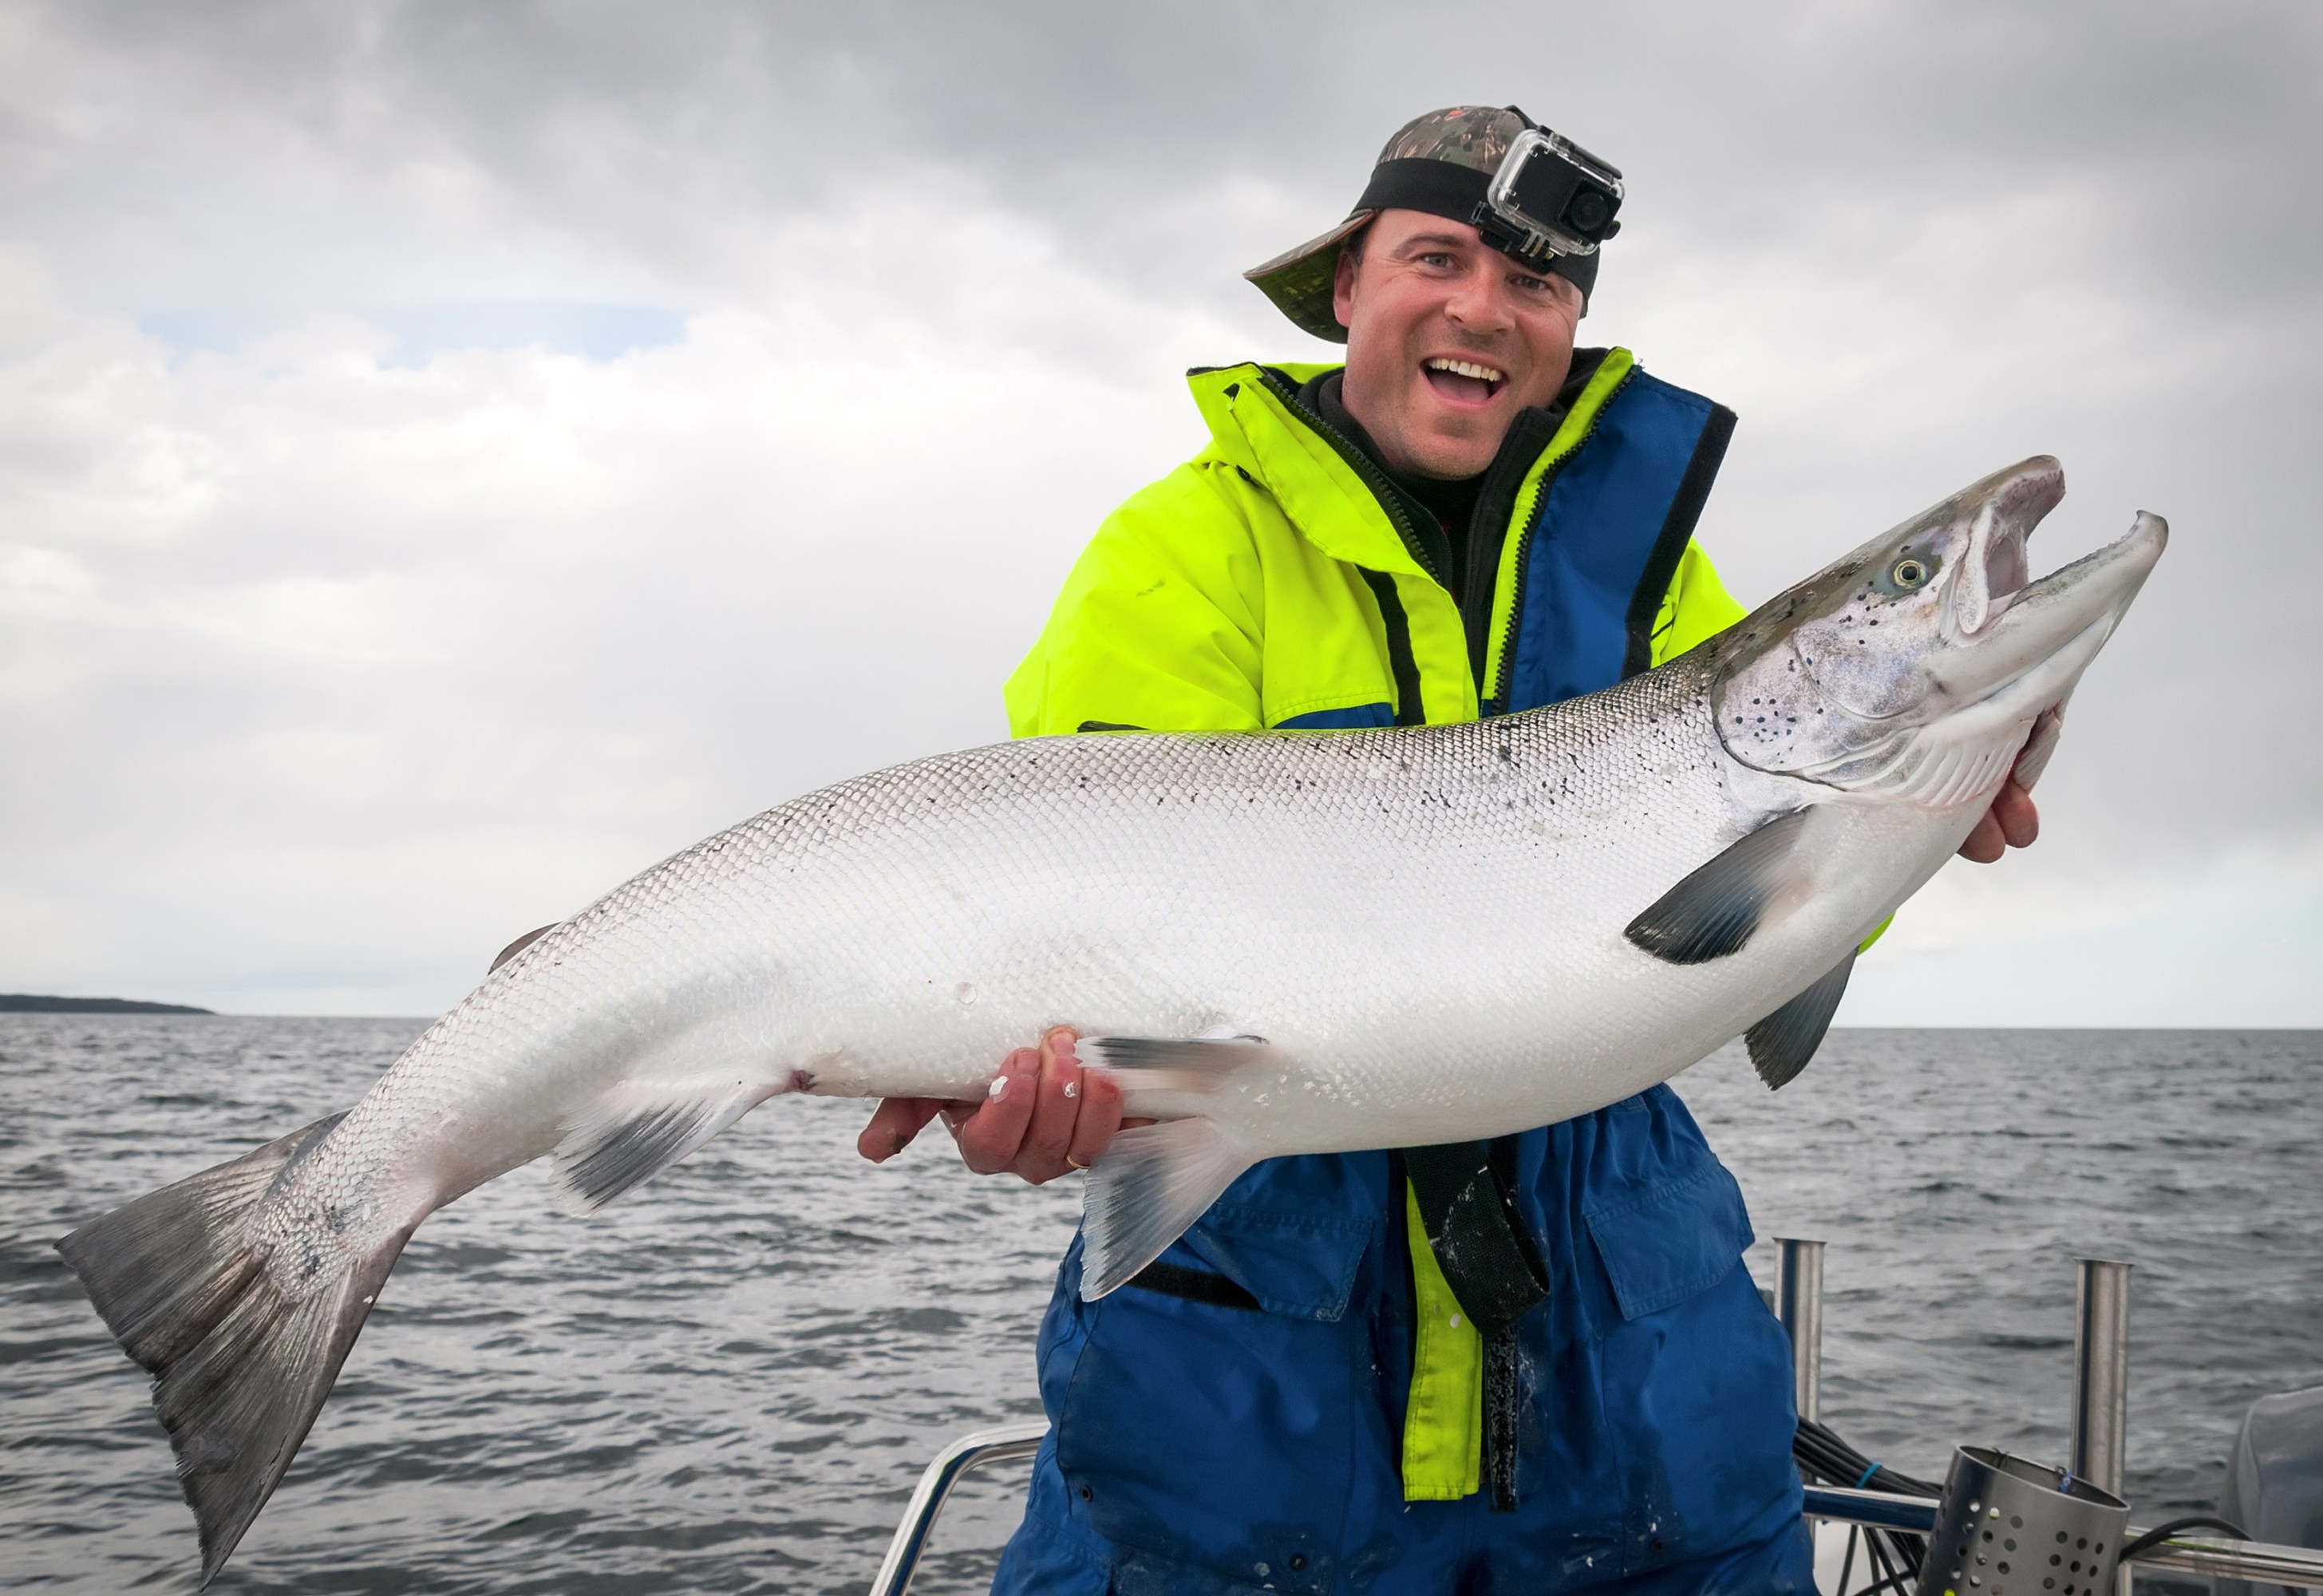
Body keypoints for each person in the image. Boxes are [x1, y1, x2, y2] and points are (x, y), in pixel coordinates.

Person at [856, 105, 2040, 1595]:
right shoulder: (1181, 557)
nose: (1486, 308)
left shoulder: (1658, 578)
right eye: (1442, 257)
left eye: (1538, 283)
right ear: (1349, 286)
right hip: (1251, 1384)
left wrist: (1905, 835)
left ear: (1571, 324)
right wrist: (1060, 1083)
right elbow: (1091, 923)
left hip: (1637, 1371)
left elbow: (1755, 916)